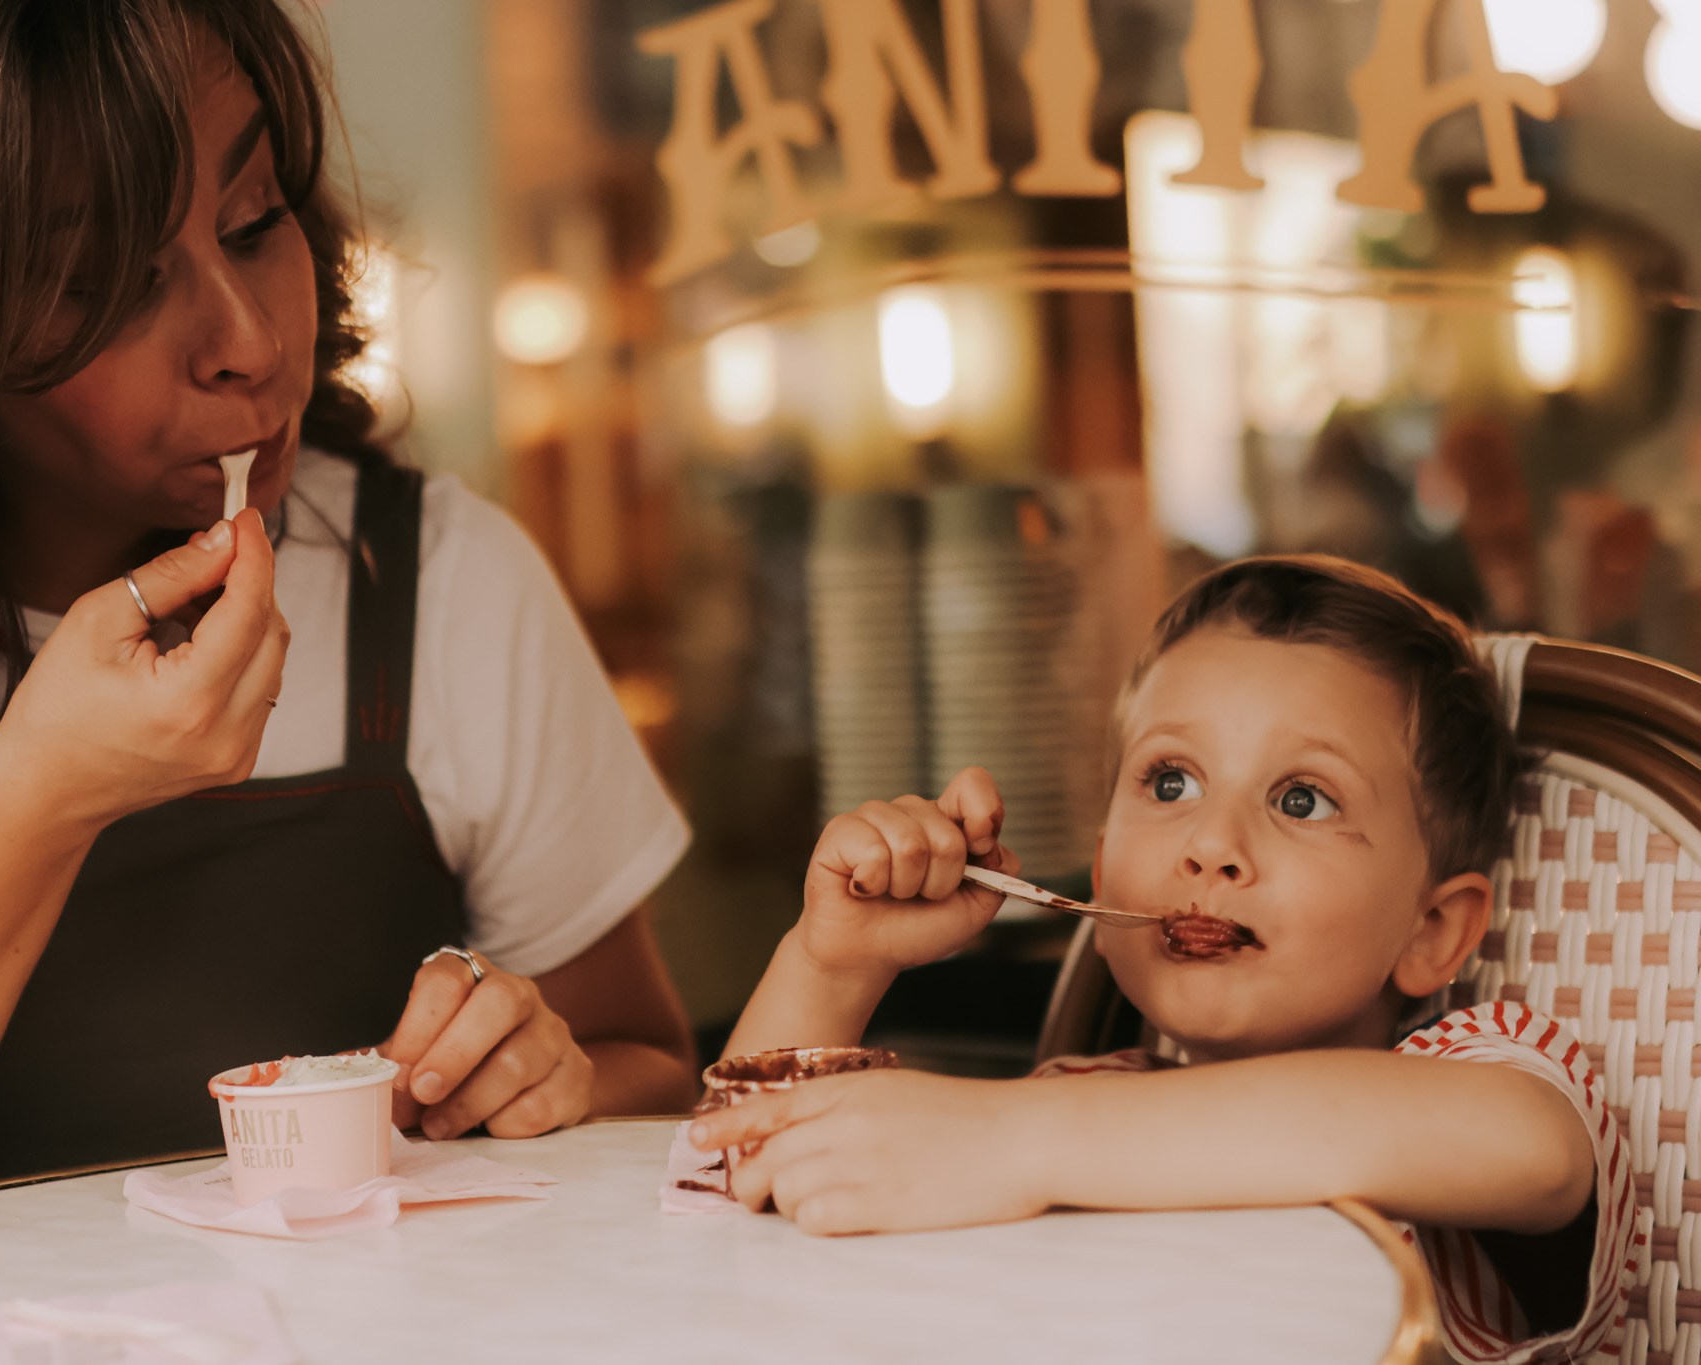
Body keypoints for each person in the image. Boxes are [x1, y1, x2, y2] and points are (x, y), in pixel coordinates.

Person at [0, 0, 694, 1257]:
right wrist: (42, 790)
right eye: (111, 287)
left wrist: (541, 1074)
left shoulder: (431, 577)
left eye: (256, 224)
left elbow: (647, 1065)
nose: (250, 345)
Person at [690, 555, 1641, 1360]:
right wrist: (833, 964)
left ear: (1433, 930)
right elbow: (728, 1220)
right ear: (1104, 861)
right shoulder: (1067, 1094)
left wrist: (1009, 1137)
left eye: (1302, 799)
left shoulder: (1483, 1067)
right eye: (1170, 780)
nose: (1210, 843)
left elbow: (1530, 1151)